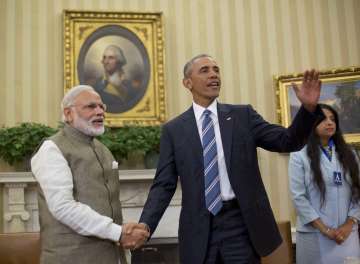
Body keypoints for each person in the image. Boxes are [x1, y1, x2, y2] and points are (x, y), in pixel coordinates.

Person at [138, 54, 323, 263]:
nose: (213, 75)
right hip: (199, 229)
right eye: (205, 70)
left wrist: (307, 110)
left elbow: (287, 141)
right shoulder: (174, 130)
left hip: (240, 226)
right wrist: (145, 225)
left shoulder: (243, 116)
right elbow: (164, 184)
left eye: (216, 70)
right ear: (187, 83)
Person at [31, 85, 149, 264]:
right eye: (90, 106)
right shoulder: (52, 149)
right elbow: (63, 207)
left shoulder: (103, 150)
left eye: (102, 107)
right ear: (68, 113)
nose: (100, 111)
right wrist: (118, 232)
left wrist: (124, 229)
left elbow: (104, 204)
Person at [289, 103, 360, 264]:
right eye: (323, 119)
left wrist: (350, 223)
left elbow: (358, 193)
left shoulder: (350, 154)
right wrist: (325, 229)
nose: (329, 123)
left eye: (332, 119)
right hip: (314, 235)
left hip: (347, 236)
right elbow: (298, 197)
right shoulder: (299, 155)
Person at [93, 45, 136, 113]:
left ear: (119, 61)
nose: (106, 61)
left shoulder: (128, 85)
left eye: (111, 58)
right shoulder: (97, 84)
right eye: (104, 58)